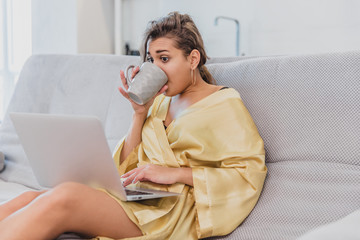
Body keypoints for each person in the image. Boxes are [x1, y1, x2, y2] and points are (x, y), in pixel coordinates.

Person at [0, 12, 267, 240]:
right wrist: (139, 113)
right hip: (140, 196)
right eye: (151, 60)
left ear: (193, 59)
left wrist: (177, 174)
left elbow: (248, 173)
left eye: (164, 59)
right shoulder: (160, 102)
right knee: (31, 197)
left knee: (66, 197)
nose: (156, 68)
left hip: (169, 210)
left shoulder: (224, 103)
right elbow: (125, 166)